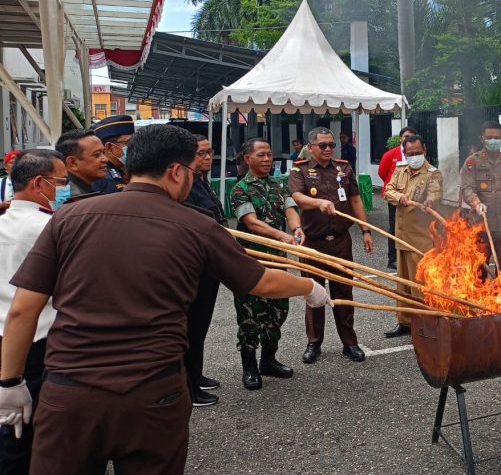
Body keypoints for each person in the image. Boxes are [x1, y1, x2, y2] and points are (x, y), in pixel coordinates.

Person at [0, 124, 329, 475]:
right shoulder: (197, 224)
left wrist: (10, 383)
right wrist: (308, 287)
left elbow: (22, 310)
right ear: (175, 171)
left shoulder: (68, 217)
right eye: (191, 169)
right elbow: (260, 281)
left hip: (70, 393)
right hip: (153, 393)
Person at [0, 150, 65, 475]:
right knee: (38, 436)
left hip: (4, 343)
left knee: (11, 433)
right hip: (37, 345)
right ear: (40, 183)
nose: (63, 190)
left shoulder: (3, 223)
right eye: (61, 183)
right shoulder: (49, 228)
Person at [290, 127, 374, 364]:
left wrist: (365, 231)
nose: (328, 149)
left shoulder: (344, 168)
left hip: (340, 242)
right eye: (323, 145)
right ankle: (314, 343)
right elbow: (297, 198)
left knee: (344, 291)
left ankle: (350, 342)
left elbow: (356, 199)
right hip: (312, 243)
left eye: (331, 145)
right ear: (311, 147)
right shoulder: (300, 170)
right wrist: (318, 203)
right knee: (314, 293)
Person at [230, 138, 303, 390]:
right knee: (250, 315)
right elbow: (251, 223)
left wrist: (296, 228)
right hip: (251, 263)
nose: (267, 159)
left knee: (277, 311)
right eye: (261, 155)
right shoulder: (240, 189)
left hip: (277, 262)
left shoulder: (279, 184)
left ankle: (268, 360)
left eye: (269, 154)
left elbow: (290, 209)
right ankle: (249, 366)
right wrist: (282, 235)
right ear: (247, 158)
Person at [382, 135, 443, 338]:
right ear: (405, 153)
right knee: (404, 284)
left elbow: (435, 194)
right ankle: (405, 322)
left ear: (424, 149)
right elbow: (388, 190)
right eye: (410, 154)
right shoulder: (400, 171)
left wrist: (429, 202)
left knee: (422, 285)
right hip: (402, 237)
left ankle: (427, 322)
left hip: (421, 239)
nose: (414, 156)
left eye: (418, 153)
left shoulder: (432, 174)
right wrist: (400, 197)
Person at [182, 135, 225, 407]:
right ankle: (188, 386)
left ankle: (195, 375)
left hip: (209, 265)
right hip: (195, 267)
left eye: (210, 152)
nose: (208, 158)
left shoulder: (201, 181)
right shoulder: (185, 187)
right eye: (201, 153)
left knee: (200, 328)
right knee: (190, 329)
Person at [459, 120, 501, 270]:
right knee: (478, 273)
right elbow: (467, 188)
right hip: (481, 228)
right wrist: (477, 204)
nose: (493, 141)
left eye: (497, 138)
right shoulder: (473, 162)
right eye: (489, 137)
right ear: (482, 139)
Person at [378, 126, 418, 270]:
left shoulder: (416, 154)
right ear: (400, 138)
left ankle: (409, 256)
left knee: (412, 227)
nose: (409, 139)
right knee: (395, 227)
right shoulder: (391, 154)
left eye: (412, 136)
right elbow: (382, 172)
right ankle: (393, 259)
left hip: (412, 198)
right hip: (395, 197)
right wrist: (394, 191)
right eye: (406, 136)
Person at [54, 129, 107, 197]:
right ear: (72, 163)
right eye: (97, 155)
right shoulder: (73, 198)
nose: (105, 159)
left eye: (104, 152)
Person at [89, 114, 134, 194]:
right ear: (109, 147)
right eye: (128, 143)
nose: (134, 146)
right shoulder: (109, 180)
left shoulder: (123, 170)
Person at [1, 150, 22, 215]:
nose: (16, 165)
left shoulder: (31, 183)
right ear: (5, 166)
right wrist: (1, 206)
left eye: (19, 162)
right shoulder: (0, 183)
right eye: (12, 162)